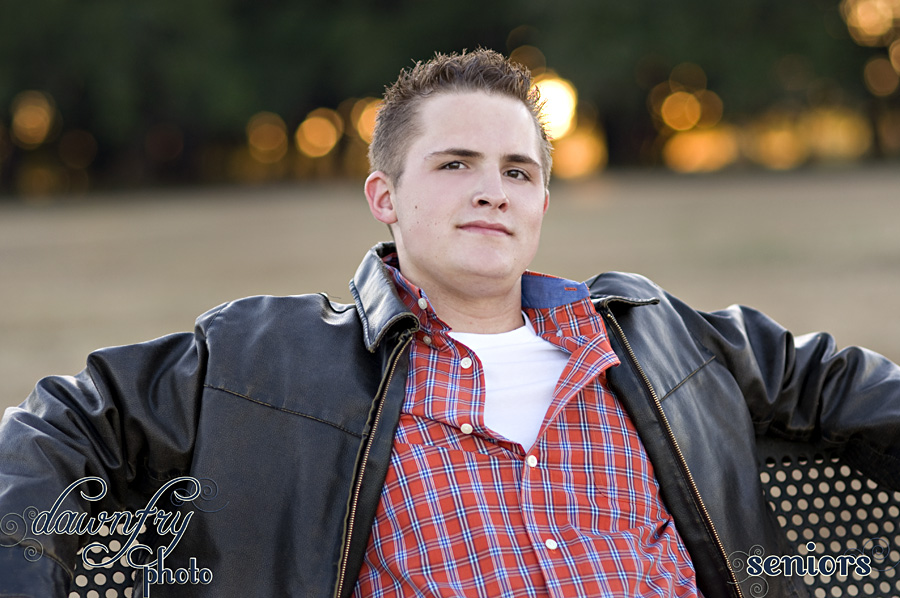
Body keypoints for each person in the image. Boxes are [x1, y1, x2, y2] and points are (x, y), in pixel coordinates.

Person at [1, 49, 899, 598]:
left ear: (542, 200)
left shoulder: (663, 338)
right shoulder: (260, 357)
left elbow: (846, 389)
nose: (490, 189)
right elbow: (56, 430)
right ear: (383, 196)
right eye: (456, 162)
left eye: (518, 170)